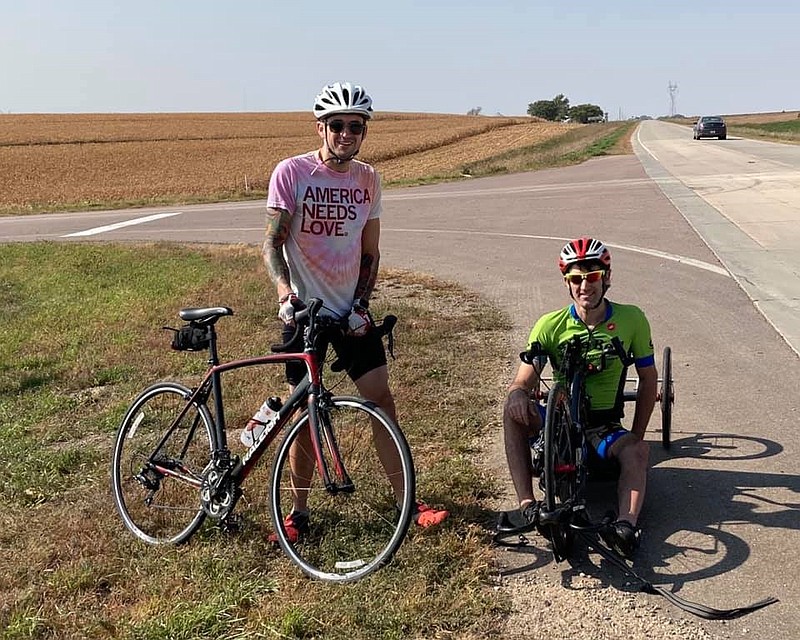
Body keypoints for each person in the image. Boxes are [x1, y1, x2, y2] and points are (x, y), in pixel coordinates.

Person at [244, 81, 448, 541]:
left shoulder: (368, 179)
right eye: (337, 125)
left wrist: (361, 304)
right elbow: (272, 243)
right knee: (304, 416)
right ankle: (296, 513)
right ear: (321, 128)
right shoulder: (292, 173)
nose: (346, 133)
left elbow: (370, 253)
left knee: (382, 400)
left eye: (356, 126)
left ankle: (408, 503)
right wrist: (284, 294)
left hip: (349, 312)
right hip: (304, 313)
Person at [502, 237, 657, 557]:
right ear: (567, 283)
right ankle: (528, 505)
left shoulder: (631, 320)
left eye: (593, 276)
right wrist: (518, 394)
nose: (585, 285)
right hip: (558, 419)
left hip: (603, 426)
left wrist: (636, 439)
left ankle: (626, 525)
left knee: (638, 452)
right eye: (576, 278)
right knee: (511, 409)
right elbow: (523, 377)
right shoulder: (549, 325)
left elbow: (648, 379)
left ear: (607, 277)